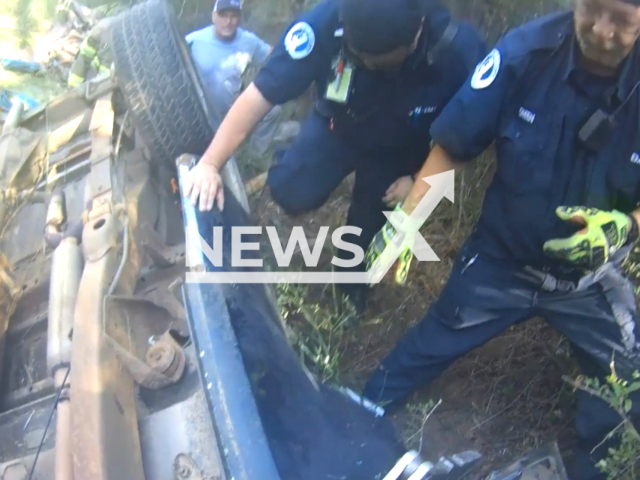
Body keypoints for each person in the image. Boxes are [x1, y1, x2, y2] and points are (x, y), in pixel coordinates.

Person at [362, 0, 640, 478]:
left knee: (630, 391)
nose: (600, 30)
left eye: (621, 20)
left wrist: (628, 225)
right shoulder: (524, 53)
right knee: (426, 346)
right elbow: (453, 143)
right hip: (502, 260)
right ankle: (357, 412)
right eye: (592, 9)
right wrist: (408, 222)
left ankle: (590, 467)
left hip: (591, 276)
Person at [182, 0, 487, 315]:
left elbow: (464, 139)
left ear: (417, 34)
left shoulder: (459, 51)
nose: (367, 66)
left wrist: (419, 185)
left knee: (365, 235)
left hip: (398, 153)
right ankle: (297, 164)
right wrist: (209, 163)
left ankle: (349, 288)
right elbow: (260, 94)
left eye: (378, 63)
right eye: (360, 59)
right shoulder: (327, 21)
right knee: (289, 189)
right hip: (337, 127)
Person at [186, 0, 289, 157]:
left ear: (240, 18)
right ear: (213, 16)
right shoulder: (193, 41)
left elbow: (273, 55)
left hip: (233, 108)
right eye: (223, 16)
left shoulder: (248, 41)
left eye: (233, 16)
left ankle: (254, 157)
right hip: (199, 111)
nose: (228, 22)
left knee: (272, 111)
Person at [67, 16, 114, 87]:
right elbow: (83, 56)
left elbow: (83, 56)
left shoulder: (101, 29)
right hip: (101, 84)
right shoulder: (100, 31)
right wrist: (74, 89)